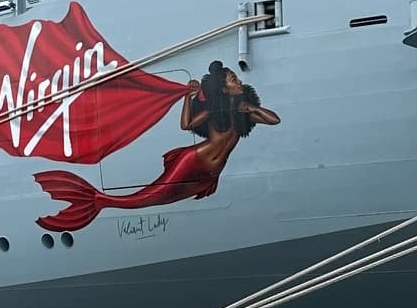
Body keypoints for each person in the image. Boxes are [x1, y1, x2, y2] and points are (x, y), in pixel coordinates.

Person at [34, 60, 279, 232]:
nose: (238, 81)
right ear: (224, 88)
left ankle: (98, 200)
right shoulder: (214, 111)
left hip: (210, 174)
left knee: (158, 198)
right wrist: (186, 96)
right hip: (193, 163)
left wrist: (252, 107)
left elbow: (274, 119)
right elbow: (186, 125)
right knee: (153, 197)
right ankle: (97, 200)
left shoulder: (240, 112)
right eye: (233, 79)